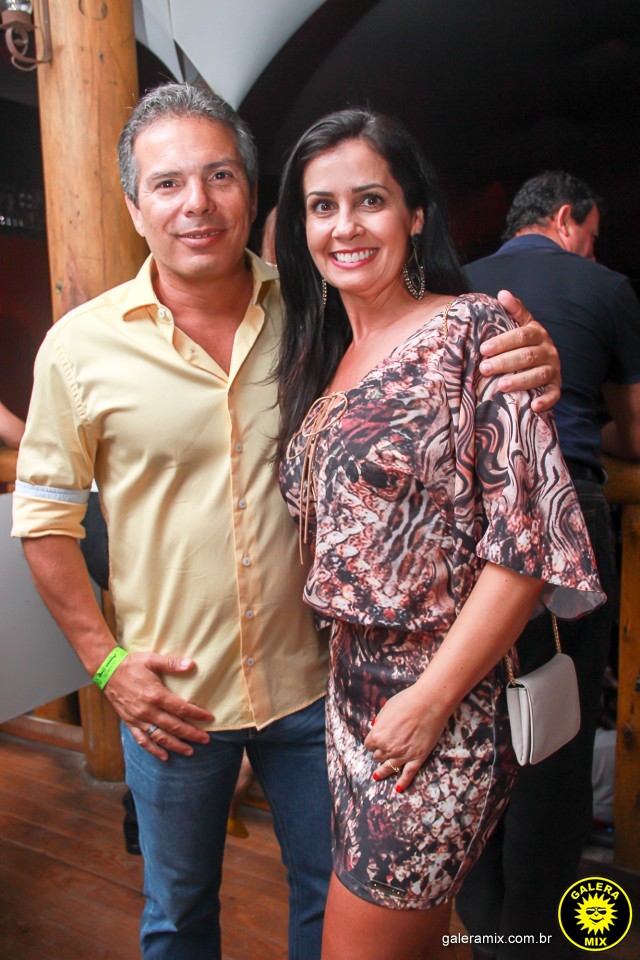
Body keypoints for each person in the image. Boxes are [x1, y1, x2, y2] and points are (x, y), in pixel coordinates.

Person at [12, 83, 560, 960]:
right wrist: (106, 665)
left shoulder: (318, 310)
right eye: (167, 184)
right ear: (134, 209)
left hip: (318, 689)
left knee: (325, 901)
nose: (197, 203)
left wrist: (527, 353)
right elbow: (44, 525)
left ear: (252, 191)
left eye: (220, 176)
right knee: (177, 915)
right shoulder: (79, 348)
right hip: (173, 697)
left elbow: (431, 350)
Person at [275, 110, 604, 960]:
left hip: (441, 700)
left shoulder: (474, 330)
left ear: (415, 212)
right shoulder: (325, 351)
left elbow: (526, 546)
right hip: (351, 695)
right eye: (321, 207)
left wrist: (429, 702)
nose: (345, 226)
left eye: (370, 200)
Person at [455, 171, 640, 958]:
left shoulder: (455, 283)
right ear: (567, 219)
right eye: (589, 236)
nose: (590, 251)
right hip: (571, 513)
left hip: (469, 517)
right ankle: (531, 936)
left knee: (477, 714)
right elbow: (637, 431)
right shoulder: (608, 287)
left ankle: (484, 920)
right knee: (555, 724)